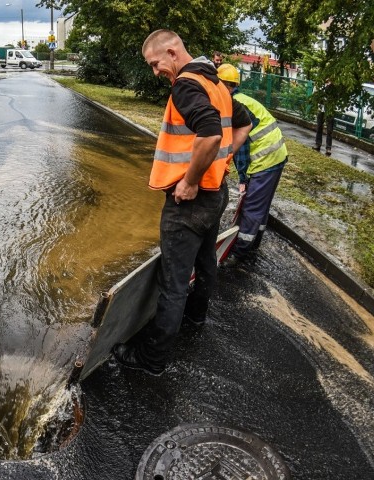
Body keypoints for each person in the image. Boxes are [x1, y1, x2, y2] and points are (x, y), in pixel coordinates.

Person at [112, 30, 252, 375]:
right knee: (205, 262)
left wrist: (189, 181)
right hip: (215, 194)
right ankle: (195, 318)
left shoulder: (186, 85)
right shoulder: (217, 84)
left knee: (173, 283)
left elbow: (209, 131)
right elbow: (245, 123)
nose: (155, 72)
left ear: (172, 52)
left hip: (188, 202)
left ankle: (152, 359)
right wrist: (222, 160)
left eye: (156, 64)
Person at [216, 63, 288, 264]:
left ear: (224, 86)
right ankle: (255, 241)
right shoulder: (241, 99)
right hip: (276, 155)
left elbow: (240, 149)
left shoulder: (231, 105)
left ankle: (239, 252)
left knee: (251, 208)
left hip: (265, 160)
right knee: (261, 205)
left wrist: (242, 178)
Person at [313, 81, 335, 156]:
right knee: (319, 126)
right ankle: (318, 143)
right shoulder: (319, 84)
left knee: (329, 129)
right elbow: (315, 94)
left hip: (330, 109)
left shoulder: (333, 85)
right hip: (321, 108)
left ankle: (328, 147)